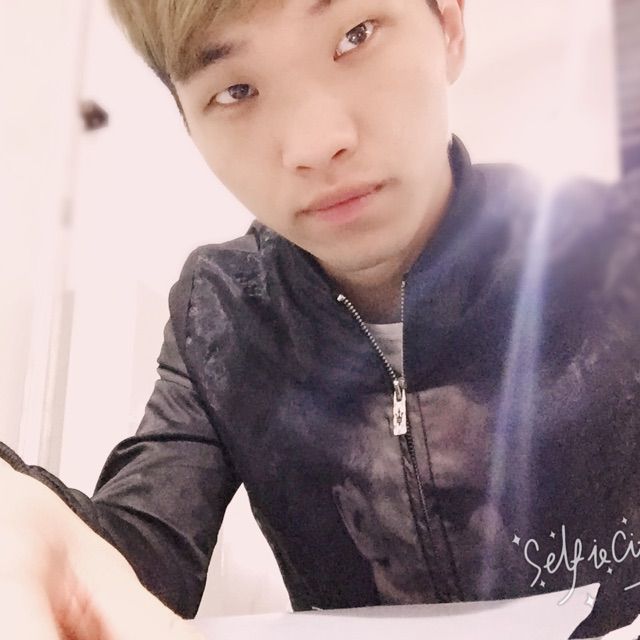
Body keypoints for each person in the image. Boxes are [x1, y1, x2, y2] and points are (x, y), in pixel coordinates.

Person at [1, 0, 639, 638]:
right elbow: (131, 565)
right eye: (236, 90)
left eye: (355, 36)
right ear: (188, 125)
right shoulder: (219, 312)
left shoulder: (608, 247)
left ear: (448, 23)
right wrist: (23, 512)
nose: (316, 144)